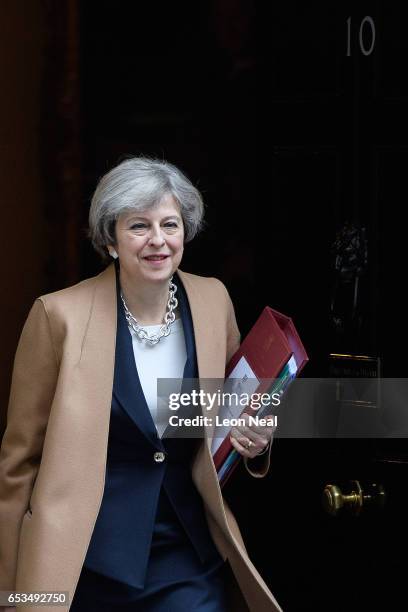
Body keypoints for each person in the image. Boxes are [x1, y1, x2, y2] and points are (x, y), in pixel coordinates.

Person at [0, 157, 281, 612]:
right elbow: (18, 465)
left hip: (186, 554)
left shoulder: (213, 300)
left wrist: (255, 439)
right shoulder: (58, 316)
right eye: (138, 226)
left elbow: (231, 414)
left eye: (170, 224)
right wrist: (13, 593)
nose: (158, 240)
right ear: (110, 239)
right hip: (82, 561)